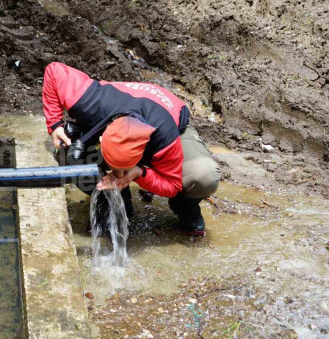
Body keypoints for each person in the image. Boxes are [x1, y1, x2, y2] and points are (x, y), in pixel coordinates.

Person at [42, 62, 220, 236]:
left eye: (122, 170)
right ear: (103, 138)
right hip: (116, 108)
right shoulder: (89, 101)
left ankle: (185, 206)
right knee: (67, 154)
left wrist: (140, 173)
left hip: (172, 125)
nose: (118, 173)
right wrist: (55, 123)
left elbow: (172, 184)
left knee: (204, 176)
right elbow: (54, 70)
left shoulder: (165, 139)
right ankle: (112, 201)